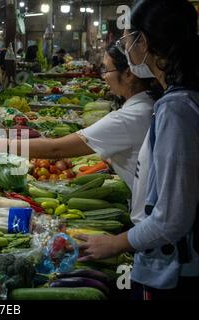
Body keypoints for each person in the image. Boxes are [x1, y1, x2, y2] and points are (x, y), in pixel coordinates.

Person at [77, 0, 199, 299]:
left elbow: (172, 217)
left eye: (127, 38)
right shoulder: (177, 100)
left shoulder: (176, 108)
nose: (126, 47)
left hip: (174, 270)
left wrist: (117, 243)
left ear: (143, 41)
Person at [0, 44, 159, 195]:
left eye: (106, 69)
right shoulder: (147, 106)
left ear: (129, 74)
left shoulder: (127, 118)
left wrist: (2, 144)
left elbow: (56, 148)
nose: (104, 76)